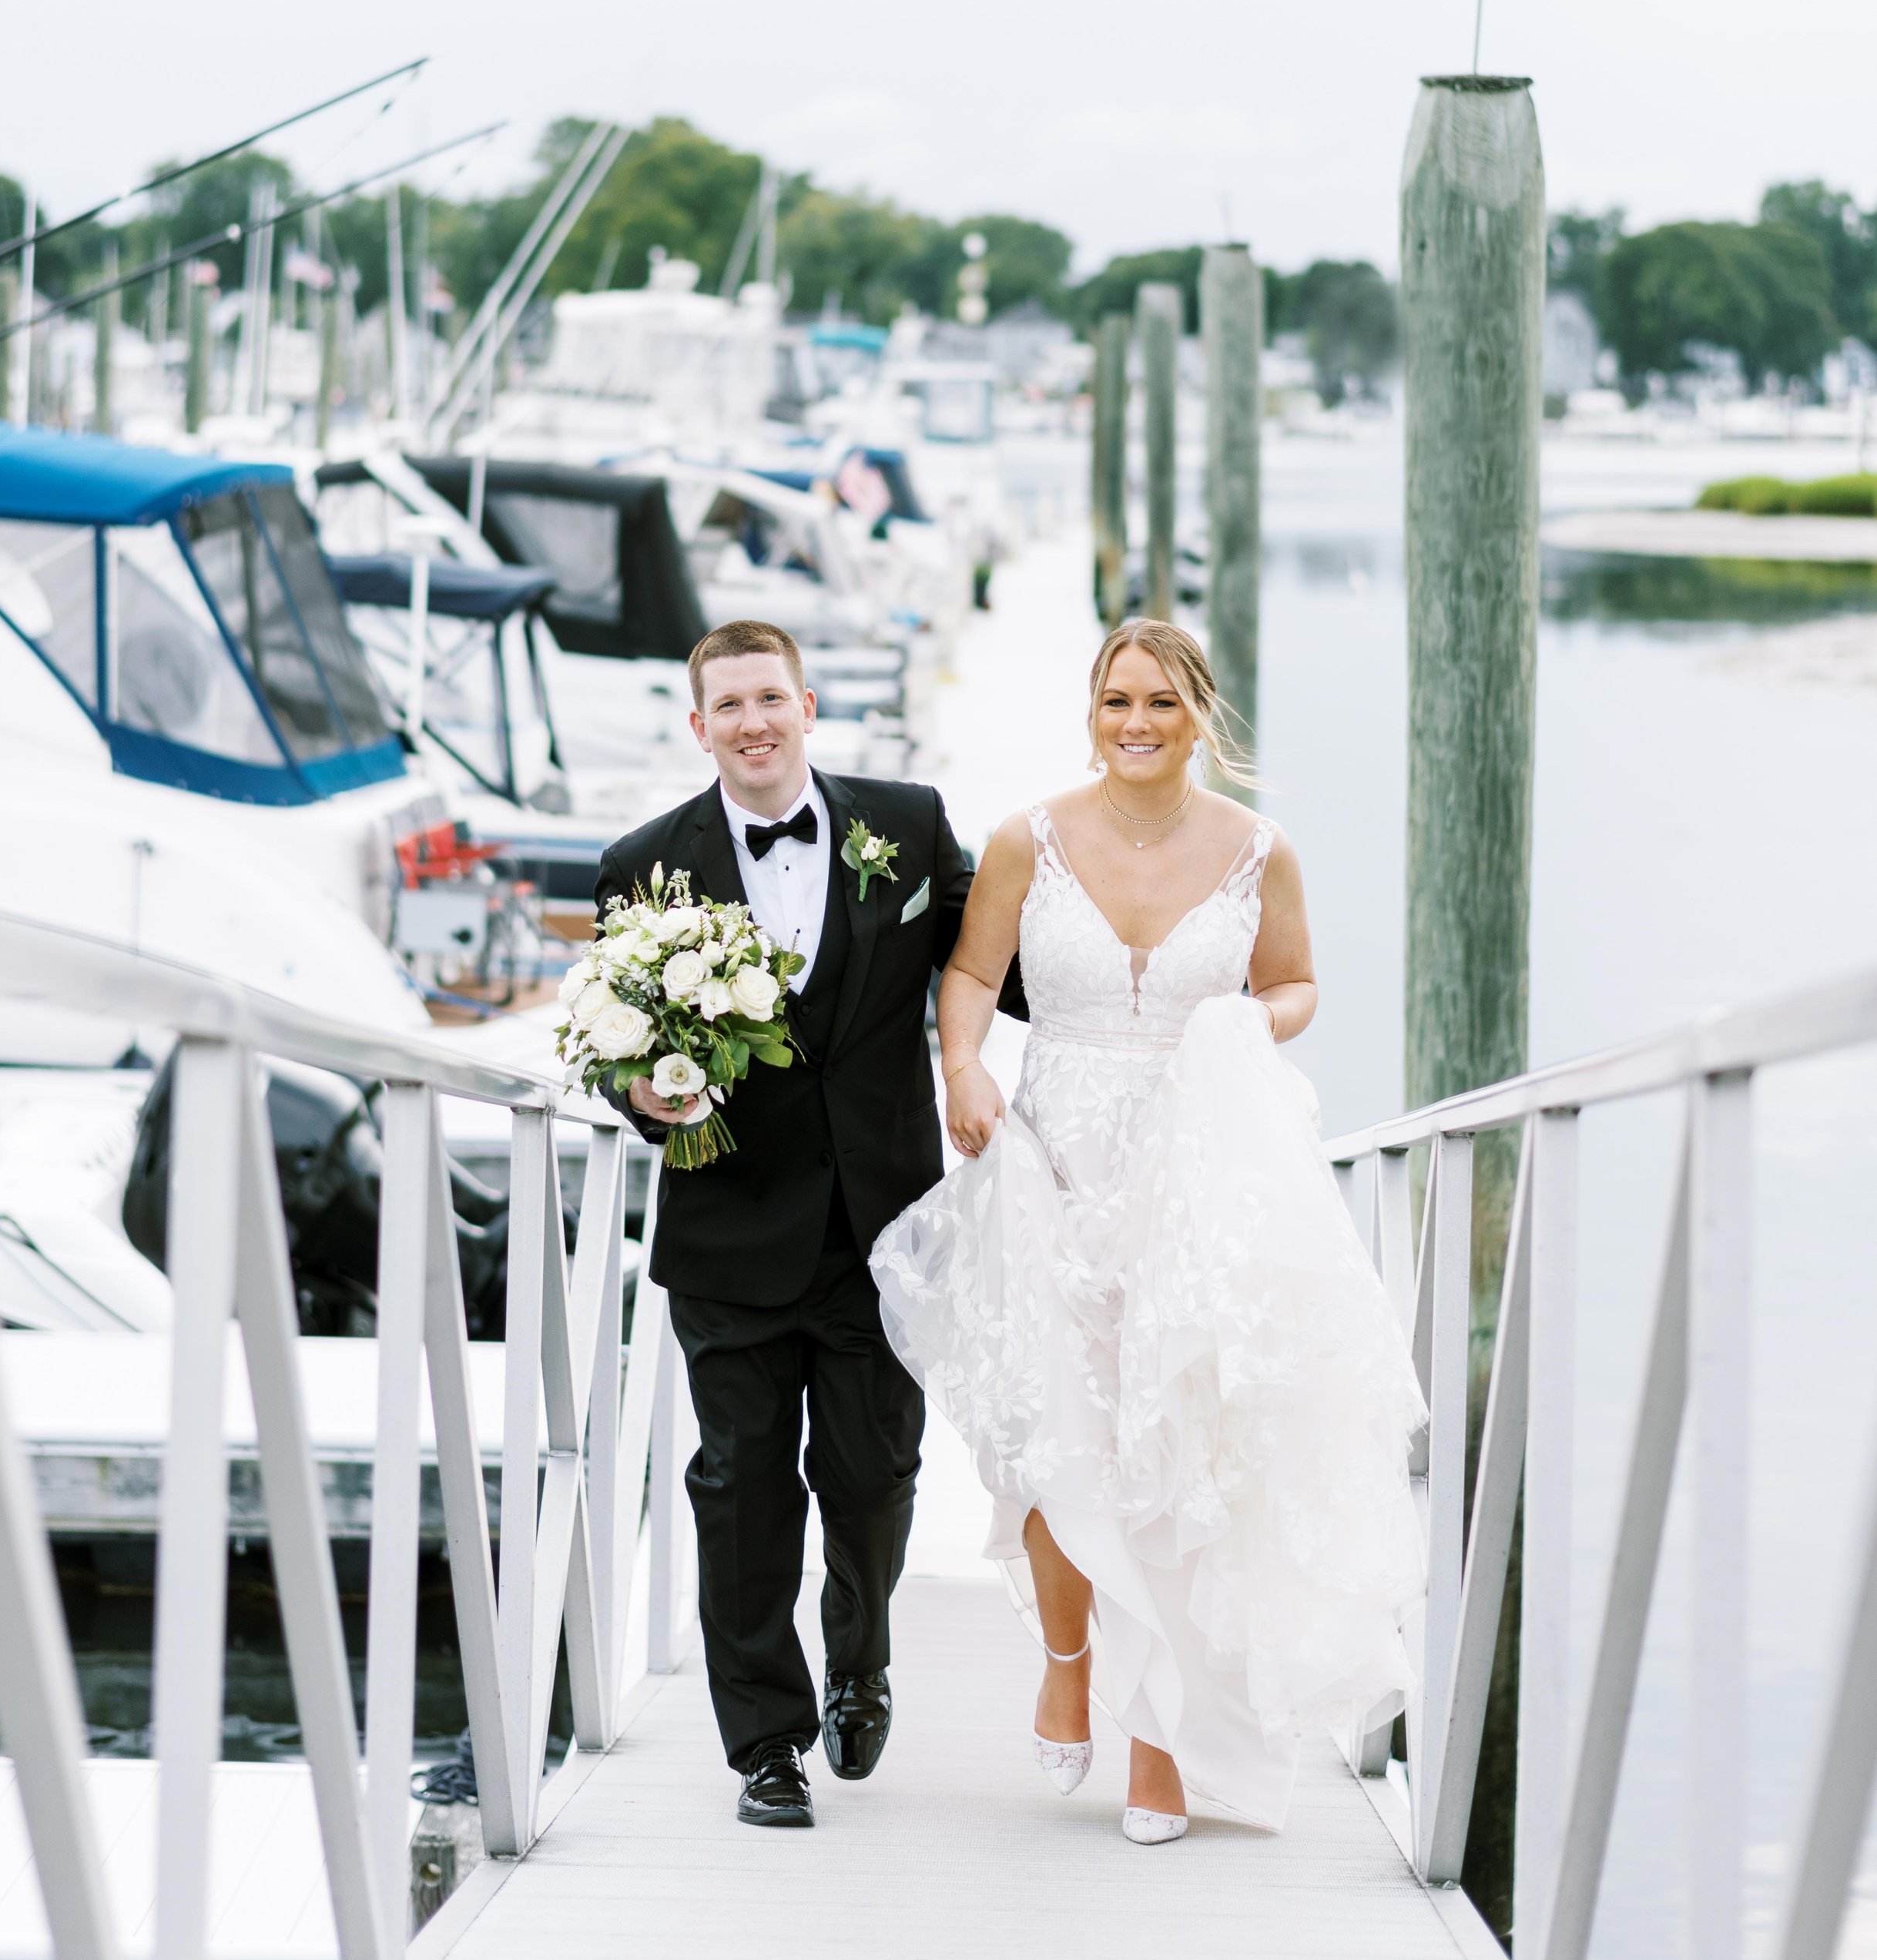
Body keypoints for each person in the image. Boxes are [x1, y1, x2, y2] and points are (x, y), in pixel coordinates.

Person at [870, 618, 1426, 1847]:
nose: (1137, 721)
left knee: (1173, 1444)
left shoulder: (1257, 851)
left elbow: (1296, 983)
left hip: (1198, 1170)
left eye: (1161, 703)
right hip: (1052, 1158)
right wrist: (962, 1065)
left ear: (1198, 717)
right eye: (1117, 698)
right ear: (1092, 710)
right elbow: (968, 974)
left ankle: (1162, 1740)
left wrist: (1243, 1028)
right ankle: (1068, 1652)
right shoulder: (1030, 836)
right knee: (1048, 1431)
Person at [596, 618, 1015, 1831]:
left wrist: (1144, 971)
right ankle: (765, 1744)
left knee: (874, 1478)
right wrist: (639, 1091)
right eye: (727, 705)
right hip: (728, 1235)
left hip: (883, 1233)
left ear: (810, 705)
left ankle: (860, 1661)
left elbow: (1002, 971)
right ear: (698, 726)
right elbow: (615, 1042)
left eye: (770, 698)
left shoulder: (911, 824)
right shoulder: (643, 864)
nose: (753, 723)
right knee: (740, 1489)